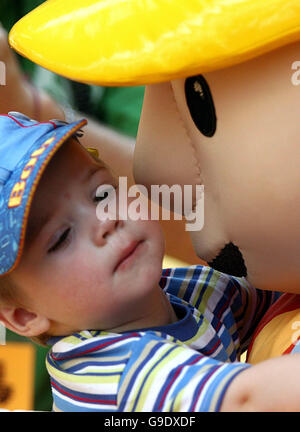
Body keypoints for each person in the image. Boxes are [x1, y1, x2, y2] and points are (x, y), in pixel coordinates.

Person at [1, 112, 300, 412]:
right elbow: (249, 400)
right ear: (24, 315)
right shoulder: (109, 374)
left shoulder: (188, 292)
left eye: (102, 194)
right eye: (61, 237)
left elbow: (278, 289)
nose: (107, 219)